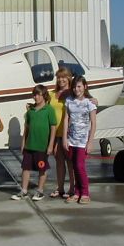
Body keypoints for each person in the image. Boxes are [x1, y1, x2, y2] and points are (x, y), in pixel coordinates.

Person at [11, 84, 57, 201]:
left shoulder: (49, 110)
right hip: (29, 145)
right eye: (34, 95)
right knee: (25, 168)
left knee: (42, 169)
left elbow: (53, 128)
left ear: (44, 96)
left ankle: (40, 191)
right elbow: (26, 128)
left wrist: (51, 144)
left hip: (42, 147)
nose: (35, 97)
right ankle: (24, 190)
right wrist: (23, 143)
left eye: (38, 94)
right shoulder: (30, 112)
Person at [62, 75, 97, 204]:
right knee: (74, 167)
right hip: (72, 139)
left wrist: (90, 141)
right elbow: (66, 119)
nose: (77, 89)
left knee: (80, 166)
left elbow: (93, 123)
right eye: (75, 87)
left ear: (85, 87)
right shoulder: (69, 101)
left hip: (83, 142)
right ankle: (77, 193)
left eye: (79, 86)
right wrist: (65, 138)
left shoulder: (90, 103)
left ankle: (85, 193)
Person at [48, 67, 74, 199]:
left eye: (63, 77)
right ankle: (60, 188)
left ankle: (72, 188)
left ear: (69, 78)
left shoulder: (73, 93)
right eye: (58, 77)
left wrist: (95, 101)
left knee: (70, 161)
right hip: (55, 133)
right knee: (59, 161)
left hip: (69, 133)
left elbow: (86, 98)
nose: (61, 79)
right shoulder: (52, 94)